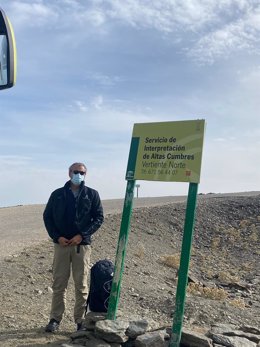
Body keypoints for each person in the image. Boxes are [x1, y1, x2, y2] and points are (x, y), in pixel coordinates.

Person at [43, 162, 104, 332]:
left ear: (86, 174)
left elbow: (99, 218)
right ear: (69, 173)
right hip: (61, 245)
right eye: (76, 172)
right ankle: (55, 319)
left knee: (81, 284)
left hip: (82, 247)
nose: (79, 175)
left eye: (82, 172)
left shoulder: (92, 195)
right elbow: (47, 217)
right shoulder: (57, 194)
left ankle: (80, 321)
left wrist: (82, 236)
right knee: (59, 283)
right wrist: (57, 237)